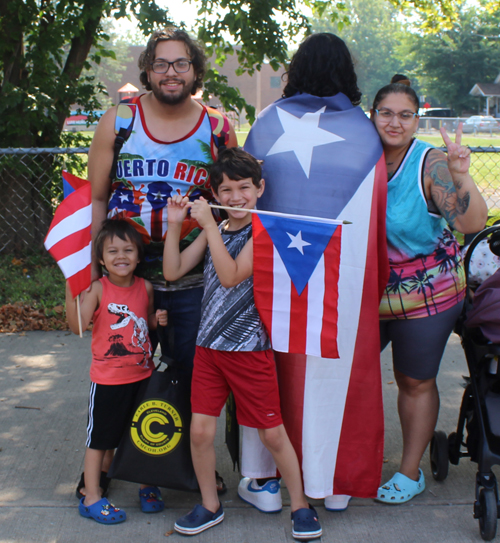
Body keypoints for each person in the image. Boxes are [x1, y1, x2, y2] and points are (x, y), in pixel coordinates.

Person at [84, 26, 237, 498]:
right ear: (148, 69)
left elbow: (233, 199)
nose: (172, 73)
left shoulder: (216, 125)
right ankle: (106, 465)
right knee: (122, 371)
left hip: (192, 268)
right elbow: (95, 199)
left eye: (181, 64)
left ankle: (189, 465)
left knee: (193, 372)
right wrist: (94, 274)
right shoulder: (120, 119)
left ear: (195, 70)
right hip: (127, 269)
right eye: (162, 64)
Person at [241, 32, 389, 512]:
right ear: (346, 72)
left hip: (273, 267)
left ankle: (263, 478)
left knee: (267, 365)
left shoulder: (266, 124)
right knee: (336, 365)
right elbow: (374, 218)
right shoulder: (365, 133)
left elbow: (244, 203)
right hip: (341, 275)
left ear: (296, 70)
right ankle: (334, 479)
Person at [163, 147, 322, 540]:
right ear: (215, 193)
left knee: (271, 432)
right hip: (208, 348)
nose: (235, 197)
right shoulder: (215, 228)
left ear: (260, 188)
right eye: (226, 189)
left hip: (250, 349)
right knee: (199, 432)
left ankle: (300, 505)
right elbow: (172, 271)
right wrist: (174, 223)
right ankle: (209, 504)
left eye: (244, 188)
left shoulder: (264, 230)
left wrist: (210, 227)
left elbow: (232, 274)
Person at [371, 79, 487, 503]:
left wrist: (460, 176)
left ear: (416, 119)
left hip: (427, 291)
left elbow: (470, 224)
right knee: (349, 376)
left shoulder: (429, 162)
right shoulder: (360, 156)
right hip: (368, 290)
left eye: (405, 115)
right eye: (386, 112)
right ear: (373, 114)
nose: (395, 122)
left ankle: (409, 471)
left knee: (414, 379)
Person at [65, 219, 168, 524]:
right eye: (112, 251)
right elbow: (77, 326)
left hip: (142, 377)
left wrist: (156, 319)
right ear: (101, 259)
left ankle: (148, 485)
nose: (120, 256)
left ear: (138, 256)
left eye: (128, 249)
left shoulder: (145, 286)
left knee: (144, 435)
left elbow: (145, 320)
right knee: (100, 439)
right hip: (109, 381)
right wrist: (72, 289)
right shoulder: (98, 288)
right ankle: (93, 495)